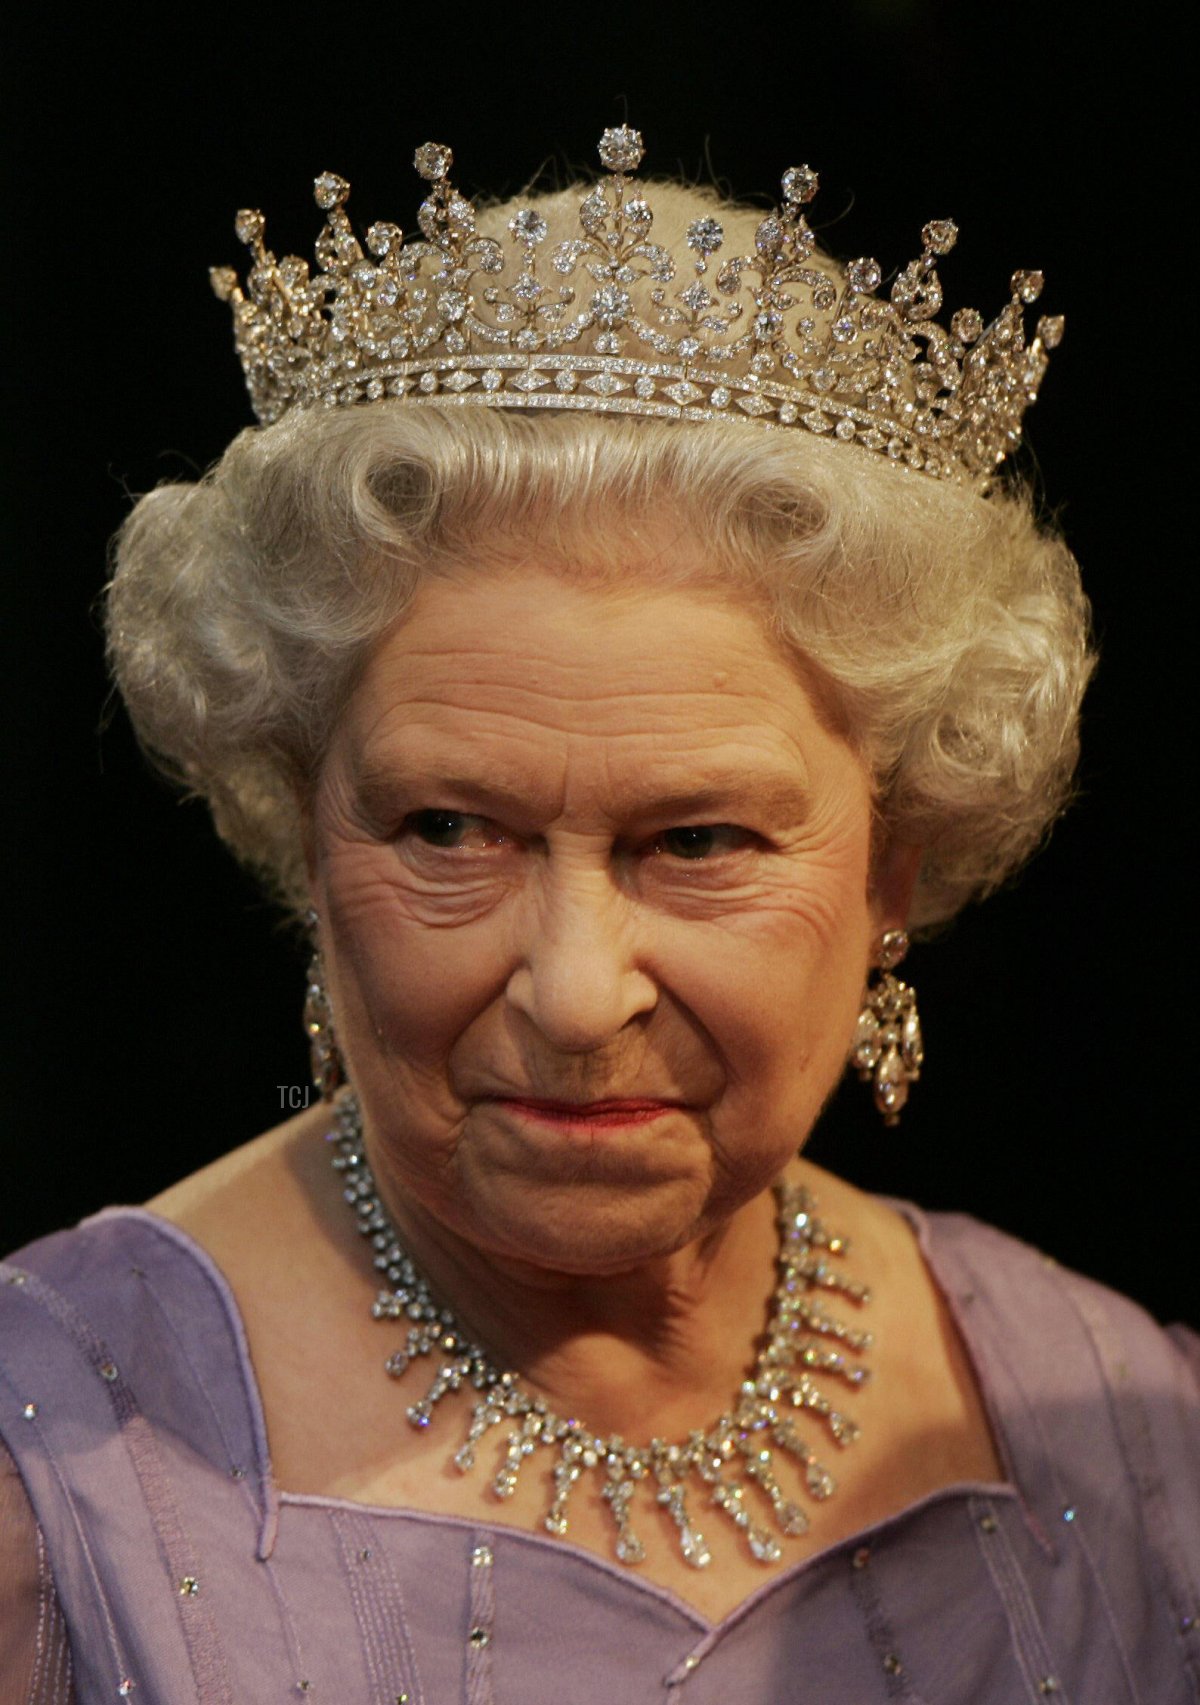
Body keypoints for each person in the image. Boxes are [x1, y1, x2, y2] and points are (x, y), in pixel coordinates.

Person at [2, 125, 1196, 1704]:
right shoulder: (46, 1465)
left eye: (695, 839)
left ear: (898, 853)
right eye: (447, 828)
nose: (574, 992)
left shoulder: (1130, 1432)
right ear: (300, 824)